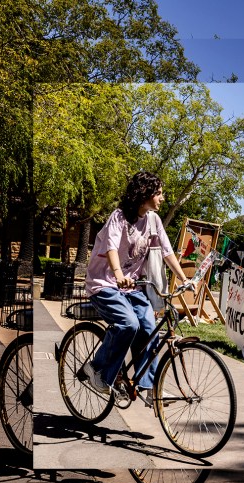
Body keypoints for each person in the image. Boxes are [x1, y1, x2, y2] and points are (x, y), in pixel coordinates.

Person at [83, 171, 190, 405]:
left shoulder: (153, 220)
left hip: (133, 287)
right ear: (145, 195)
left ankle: (148, 387)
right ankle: (96, 369)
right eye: (159, 193)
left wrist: (183, 278)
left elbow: (166, 251)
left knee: (150, 328)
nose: (162, 198)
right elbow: (111, 247)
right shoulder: (119, 217)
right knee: (128, 323)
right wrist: (119, 275)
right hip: (105, 283)